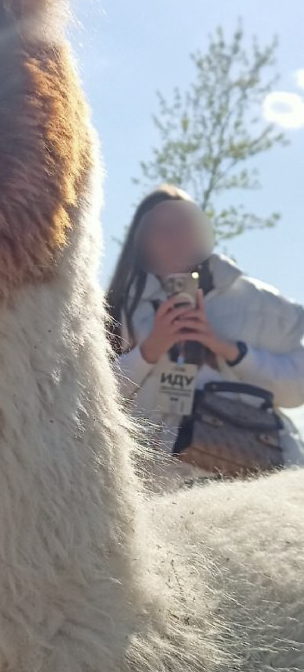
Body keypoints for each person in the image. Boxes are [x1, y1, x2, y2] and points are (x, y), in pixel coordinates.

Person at [106, 185, 304, 484]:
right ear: (140, 241)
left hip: (262, 483)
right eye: (162, 228)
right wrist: (149, 351)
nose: (176, 236)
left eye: (186, 223)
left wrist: (229, 349)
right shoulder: (117, 309)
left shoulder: (255, 300)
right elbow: (91, 398)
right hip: (160, 490)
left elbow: (296, 390)